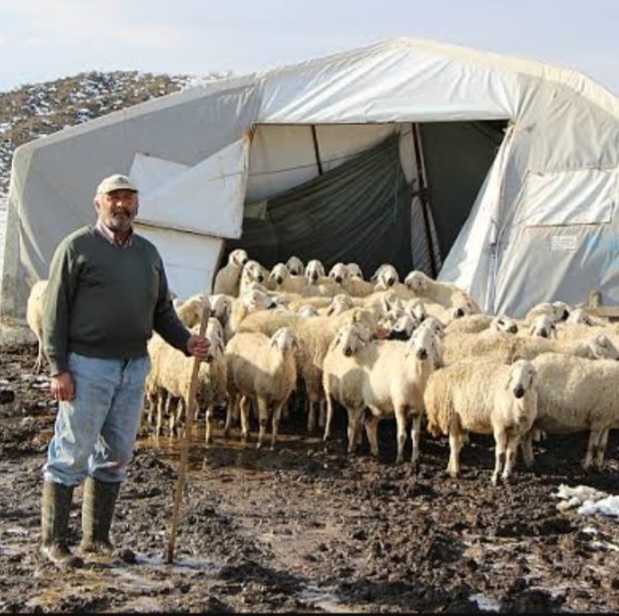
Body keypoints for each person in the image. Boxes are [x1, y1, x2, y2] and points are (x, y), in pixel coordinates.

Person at [40, 173, 211, 567]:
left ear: (137, 205)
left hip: (134, 368)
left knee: (116, 454)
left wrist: (186, 342)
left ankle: (96, 540)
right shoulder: (77, 247)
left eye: (129, 198)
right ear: (98, 203)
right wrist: (57, 368)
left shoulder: (148, 254)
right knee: (71, 452)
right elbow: (55, 311)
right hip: (86, 367)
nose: (122, 205)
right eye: (114, 198)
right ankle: (53, 541)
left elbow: (162, 312)